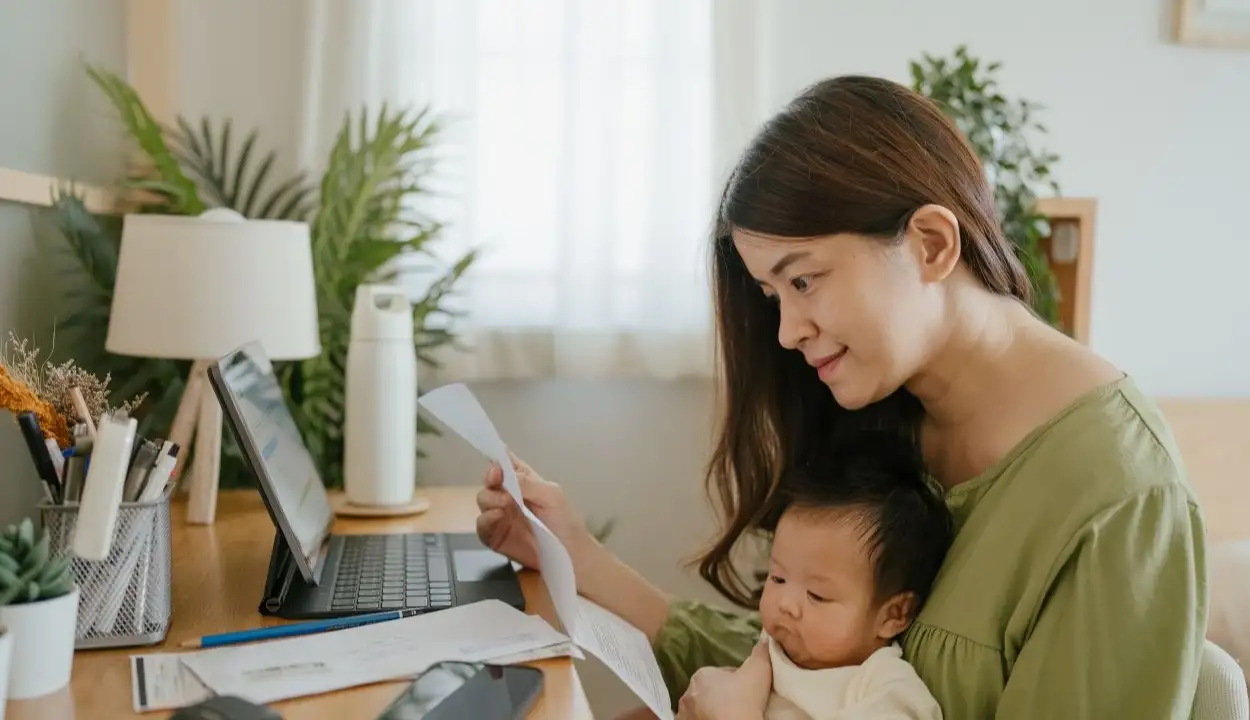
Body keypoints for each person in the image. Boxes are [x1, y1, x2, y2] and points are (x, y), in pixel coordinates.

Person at [474, 75, 1207, 719]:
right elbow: (820, 664)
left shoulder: (1116, 497)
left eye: (803, 280)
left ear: (930, 244)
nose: (788, 331)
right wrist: (579, 559)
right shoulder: (893, 413)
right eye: (771, 295)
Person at [756, 430, 950, 720]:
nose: (785, 604)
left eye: (817, 596)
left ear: (893, 614)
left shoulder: (882, 686)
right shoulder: (772, 647)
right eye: (778, 578)